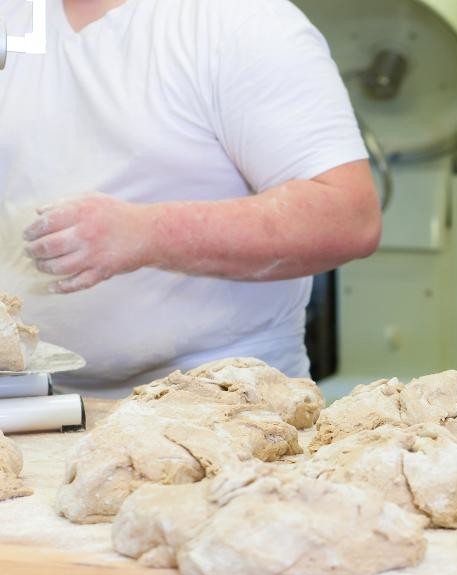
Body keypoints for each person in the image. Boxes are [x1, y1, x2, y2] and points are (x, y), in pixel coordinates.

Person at [0, 0, 381, 398]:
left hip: (222, 406)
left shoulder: (238, 20)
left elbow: (348, 215)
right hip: (29, 403)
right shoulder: (14, 18)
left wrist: (145, 234)